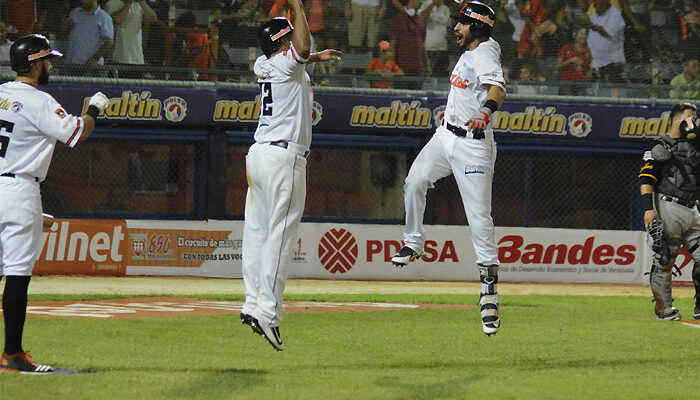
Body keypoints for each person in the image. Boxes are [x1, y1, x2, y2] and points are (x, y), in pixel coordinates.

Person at [391, 1, 506, 336]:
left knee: (479, 220)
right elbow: (479, 14)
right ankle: (413, 242)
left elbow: (498, 88)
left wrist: (486, 111)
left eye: (462, 23)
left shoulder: (484, 54)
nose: (456, 27)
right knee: (415, 181)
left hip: (473, 145)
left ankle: (489, 295)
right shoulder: (479, 46)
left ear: (478, 28)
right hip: (446, 136)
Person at [0, 34, 109, 373]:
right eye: (47, 60)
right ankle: (13, 355)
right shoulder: (39, 100)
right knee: (17, 274)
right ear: (34, 64)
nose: (50, 65)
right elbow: (77, 132)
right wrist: (94, 109)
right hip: (19, 189)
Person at [241, 1, 342, 351]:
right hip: (284, 158)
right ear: (283, 42)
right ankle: (268, 313)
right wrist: (298, 6)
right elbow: (299, 50)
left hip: (259, 156)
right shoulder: (288, 61)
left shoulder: (263, 63)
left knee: (256, 233)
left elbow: (297, 54)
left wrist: (314, 57)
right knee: (280, 238)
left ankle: (251, 302)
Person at [638, 102, 700, 321]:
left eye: (695, 118)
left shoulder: (694, 146)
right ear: (675, 119)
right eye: (689, 117)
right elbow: (646, 179)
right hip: (668, 206)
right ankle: (664, 310)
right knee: (665, 259)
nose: (693, 122)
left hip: (692, 208)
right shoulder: (659, 145)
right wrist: (648, 208)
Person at [104, 0, 158, 79]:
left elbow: (153, 19)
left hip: (136, 59)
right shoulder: (112, 3)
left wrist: (142, 2)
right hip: (117, 58)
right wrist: (128, 4)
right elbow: (118, 19)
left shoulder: (139, 5)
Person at [64, 0, 114, 73]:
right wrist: (66, 26)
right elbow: (66, 33)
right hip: (71, 63)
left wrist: (95, 58)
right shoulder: (75, 13)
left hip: (91, 66)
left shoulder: (103, 17)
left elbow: (109, 42)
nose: (82, 1)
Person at [584, 0, 626, 83]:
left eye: (596, 4)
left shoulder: (615, 15)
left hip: (612, 63)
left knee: (612, 89)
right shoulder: (593, 16)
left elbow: (606, 32)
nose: (593, 6)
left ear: (604, 3)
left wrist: (590, 24)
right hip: (596, 63)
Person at [389, 0, 427, 89]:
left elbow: (422, 45)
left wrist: (426, 64)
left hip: (418, 68)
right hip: (401, 68)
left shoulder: (421, 20)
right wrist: (392, 66)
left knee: (417, 96)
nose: (421, 2)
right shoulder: (398, 19)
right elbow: (393, 45)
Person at [556, 26, 592, 95]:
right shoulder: (566, 48)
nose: (583, 36)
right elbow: (558, 65)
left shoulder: (588, 51)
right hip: (567, 83)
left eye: (585, 34)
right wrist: (570, 60)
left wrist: (590, 71)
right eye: (581, 34)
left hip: (581, 84)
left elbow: (591, 65)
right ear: (574, 35)